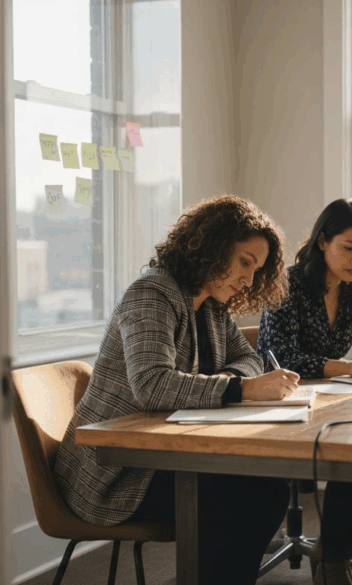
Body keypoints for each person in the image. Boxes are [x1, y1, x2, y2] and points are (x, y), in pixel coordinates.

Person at [54, 195, 301, 585]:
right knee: (239, 499)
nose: (249, 280)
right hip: (114, 470)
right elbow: (152, 386)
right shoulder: (151, 294)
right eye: (244, 263)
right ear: (214, 247)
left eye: (257, 270)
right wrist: (242, 390)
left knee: (268, 491)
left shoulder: (213, 305)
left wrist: (232, 380)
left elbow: (250, 358)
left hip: (165, 452)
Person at [257, 199, 352, 585]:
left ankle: (332, 550)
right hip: (283, 401)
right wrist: (349, 367)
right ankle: (333, 560)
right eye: (348, 248)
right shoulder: (287, 284)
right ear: (322, 242)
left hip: (331, 400)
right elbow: (280, 357)